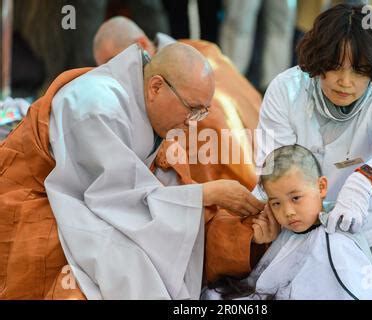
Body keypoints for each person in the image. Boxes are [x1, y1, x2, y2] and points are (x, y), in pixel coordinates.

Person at [0, 42, 265, 299]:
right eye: (192, 109)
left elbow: (144, 191)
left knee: (187, 230)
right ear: (156, 87)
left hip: (99, 199)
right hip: (51, 198)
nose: (192, 123)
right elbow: (116, 202)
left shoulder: (153, 111)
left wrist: (199, 200)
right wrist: (203, 195)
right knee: (128, 263)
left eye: (201, 113)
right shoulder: (97, 107)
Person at [92, 17, 268, 286]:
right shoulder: (203, 49)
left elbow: (143, 207)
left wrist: (207, 195)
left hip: (249, 202)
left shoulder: (190, 114)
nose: (118, 77)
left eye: (116, 63)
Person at [254, 4, 372, 283]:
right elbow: (272, 164)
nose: (345, 82)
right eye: (334, 67)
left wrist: (361, 183)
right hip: (291, 226)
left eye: (359, 70)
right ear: (318, 60)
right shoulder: (286, 88)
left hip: (363, 231)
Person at [202, 145, 372, 300]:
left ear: (321, 186)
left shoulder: (335, 238)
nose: (288, 212)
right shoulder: (285, 233)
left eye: (295, 198)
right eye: (276, 203)